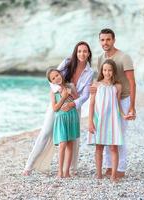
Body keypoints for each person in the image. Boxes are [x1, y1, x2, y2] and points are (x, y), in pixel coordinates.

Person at [23, 41, 94, 176]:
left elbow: (85, 95)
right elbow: (52, 78)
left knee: (73, 138)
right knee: (46, 131)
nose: (82, 54)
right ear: (75, 52)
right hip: (58, 102)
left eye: (85, 51)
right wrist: (61, 92)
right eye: (79, 51)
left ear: (89, 53)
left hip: (74, 106)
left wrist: (73, 103)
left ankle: (71, 169)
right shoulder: (67, 62)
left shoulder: (90, 72)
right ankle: (29, 166)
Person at [93, 28, 136, 178]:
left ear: (114, 40)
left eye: (108, 39)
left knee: (119, 136)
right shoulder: (100, 58)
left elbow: (132, 83)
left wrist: (132, 107)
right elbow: (101, 80)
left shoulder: (124, 57)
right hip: (106, 104)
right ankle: (109, 166)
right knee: (106, 134)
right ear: (100, 41)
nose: (105, 42)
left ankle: (121, 168)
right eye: (102, 40)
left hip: (122, 99)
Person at [87, 59, 127, 182]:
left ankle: (113, 175)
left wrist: (124, 115)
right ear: (102, 71)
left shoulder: (117, 86)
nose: (107, 72)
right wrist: (90, 121)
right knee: (99, 147)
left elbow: (118, 104)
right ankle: (99, 174)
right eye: (105, 70)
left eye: (109, 70)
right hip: (99, 119)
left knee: (113, 148)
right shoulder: (96, 84)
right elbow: (92, 104)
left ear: (113, 71)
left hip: (113, 121)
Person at [47, 69, 80, 178]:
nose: (57, 78)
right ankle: (60, 171)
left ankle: (67, 171)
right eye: (53, 78)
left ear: (61, 74)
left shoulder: (69, 86)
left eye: (57, 75)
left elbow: (77, 100)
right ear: (51, 82)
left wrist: (72, 93)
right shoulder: (53, 92)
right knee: (62, 144)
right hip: (61, 118)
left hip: (71, 117)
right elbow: (55, 108)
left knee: (70, 144)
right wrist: (64, 97)